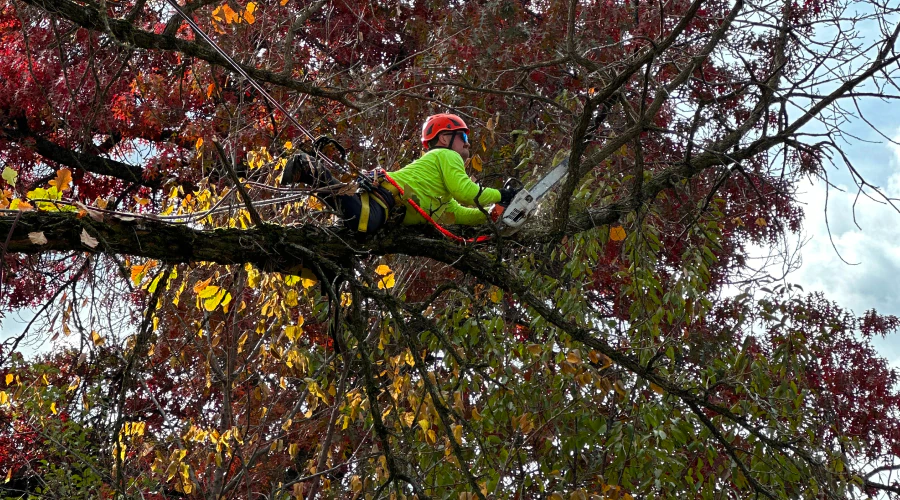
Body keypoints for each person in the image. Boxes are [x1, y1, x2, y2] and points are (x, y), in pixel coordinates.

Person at [281, 113, 518, 235]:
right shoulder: (447, 156)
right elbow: (466, 192)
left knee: (362, 226)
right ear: (445, 138)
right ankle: (306, 166)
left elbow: (459, 214)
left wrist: (491, 214)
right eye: (463, 137)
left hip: (382, 210)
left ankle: (310, 172)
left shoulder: (440, 196)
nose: (467, 144)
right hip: (378, 204)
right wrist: (503, 195)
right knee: (364, 221)